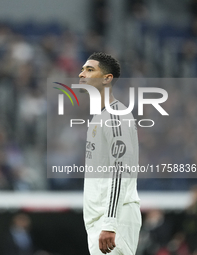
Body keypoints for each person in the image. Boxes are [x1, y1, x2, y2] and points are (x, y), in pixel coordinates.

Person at [79, 52, 141, 254]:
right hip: (100, 220)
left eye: (90, 70)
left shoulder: (115, 116)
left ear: (107, 78)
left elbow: (120, 170)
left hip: (113, 219)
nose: (81, 74)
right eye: (82, 69)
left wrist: (110, 223)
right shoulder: (100, 116)